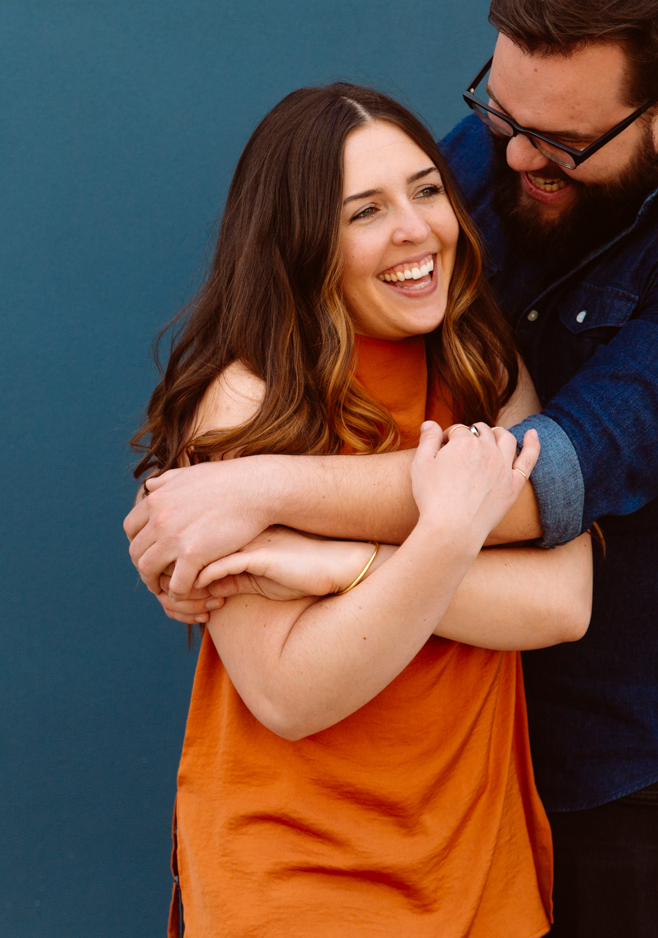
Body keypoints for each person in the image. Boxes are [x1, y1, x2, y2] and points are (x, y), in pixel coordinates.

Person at [126, 0, 658, 937]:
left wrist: (267, 504)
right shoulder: (485, 163)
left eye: (562, 142)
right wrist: (220, 487)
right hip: (412, 783)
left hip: (641, 760)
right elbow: (341, 259)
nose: (511, 162)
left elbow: (540, 486)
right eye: (499, 115)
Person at [136, 82, 594, 937]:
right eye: (365, 212)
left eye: (426, 190)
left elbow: (563, 602)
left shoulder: (485, 371)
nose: (415, 229)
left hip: (476, 876)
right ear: (300, 243)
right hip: (299, 884)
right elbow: (291, 692)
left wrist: (340, 565)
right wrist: (448, 533)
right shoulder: (246, 402)